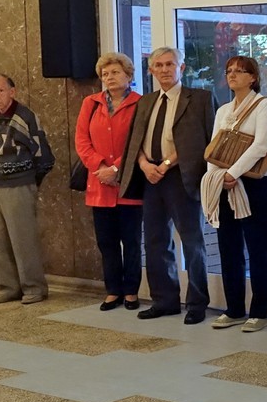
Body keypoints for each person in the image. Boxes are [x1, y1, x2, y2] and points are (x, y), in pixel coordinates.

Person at [120, 47, 214, 324]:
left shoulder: (200, 99)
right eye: (158, 65)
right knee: (155, 241)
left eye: (170, 64)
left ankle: (197, 303)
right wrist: (144, 165)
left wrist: (167, 163)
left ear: (181, 68)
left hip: (181, 176)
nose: (164, 69)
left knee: (192, 242)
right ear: (150, 70)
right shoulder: (146, 101)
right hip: (150, 177)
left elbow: (204, 140)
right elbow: (135, 140)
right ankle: (165, 300)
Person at [207, 55, 267, 331]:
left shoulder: (264, 105)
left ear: (253, 77)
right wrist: (216, 176)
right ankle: (234, 308)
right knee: (229, 248)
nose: (232, 75)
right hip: (224, 183)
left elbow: (261, 145)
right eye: (229, 71)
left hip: (253, 183)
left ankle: (260, 311)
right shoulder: (223, 110)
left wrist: (233, 173)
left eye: (239, 71)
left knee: (258, 249)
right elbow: (215, 147)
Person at [75, 52, 143, 311]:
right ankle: (113, 290)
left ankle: (131, 291)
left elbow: (139, 142)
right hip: (99, 183)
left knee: (132, 242)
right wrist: (100, 167)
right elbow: (82, 141)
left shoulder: (140, 103)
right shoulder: (90, 103)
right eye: (105, 74)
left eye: (115, 72)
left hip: (128, 183)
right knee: (107, 242)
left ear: (128, 75)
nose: (109, 77)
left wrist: (116, 168)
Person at [0, 73, 52, 305]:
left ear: (12, 92)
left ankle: (34, 287)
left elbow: (43, 155)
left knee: (23, 239)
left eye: (0, 91)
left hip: (19, 185)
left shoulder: (24, 118)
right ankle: (9, 286)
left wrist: (29, 180)